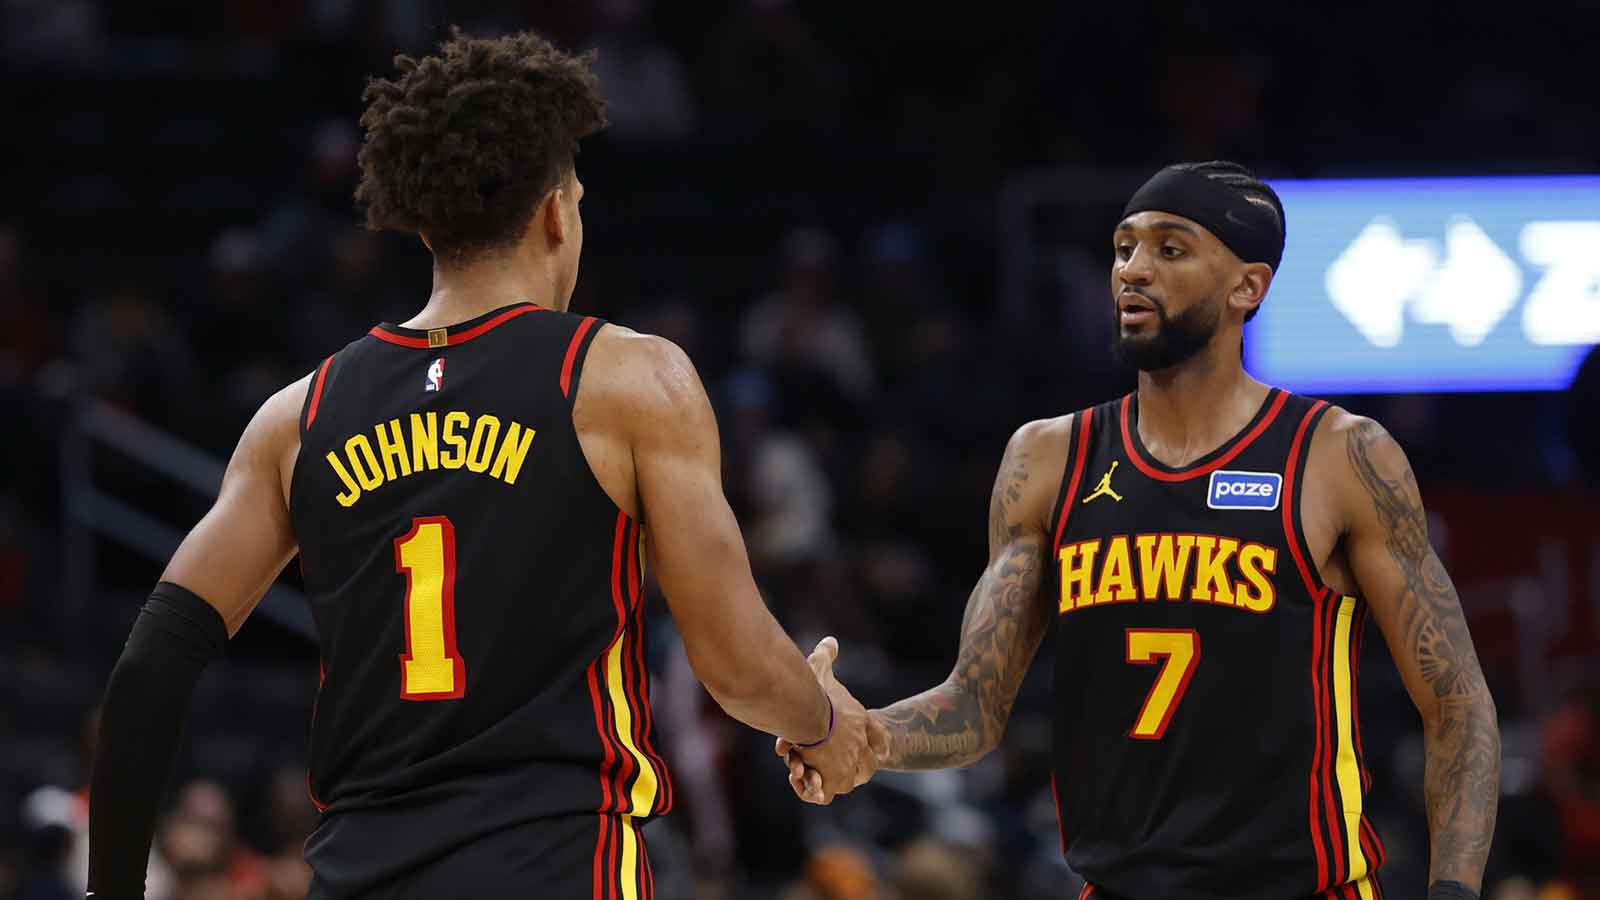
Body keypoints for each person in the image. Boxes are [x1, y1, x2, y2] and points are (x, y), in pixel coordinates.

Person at [87, 30, 882, 900]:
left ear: (424, 222)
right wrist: (824, 721)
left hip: (361, 875)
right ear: (554, 213)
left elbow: (150, 665)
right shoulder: (623, 379)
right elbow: (731, 660)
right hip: (556, 865)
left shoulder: (298, 416)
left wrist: (115, 888)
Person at [783, 161, 1501, 900]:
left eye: (1171, 248)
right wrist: (868, 737)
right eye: (1123, 248)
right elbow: (976, 700)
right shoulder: (1048, 458)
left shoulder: (1339, 455)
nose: (1133, 270)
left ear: (1247, 287)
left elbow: (1457, 703)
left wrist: (1453, 890)